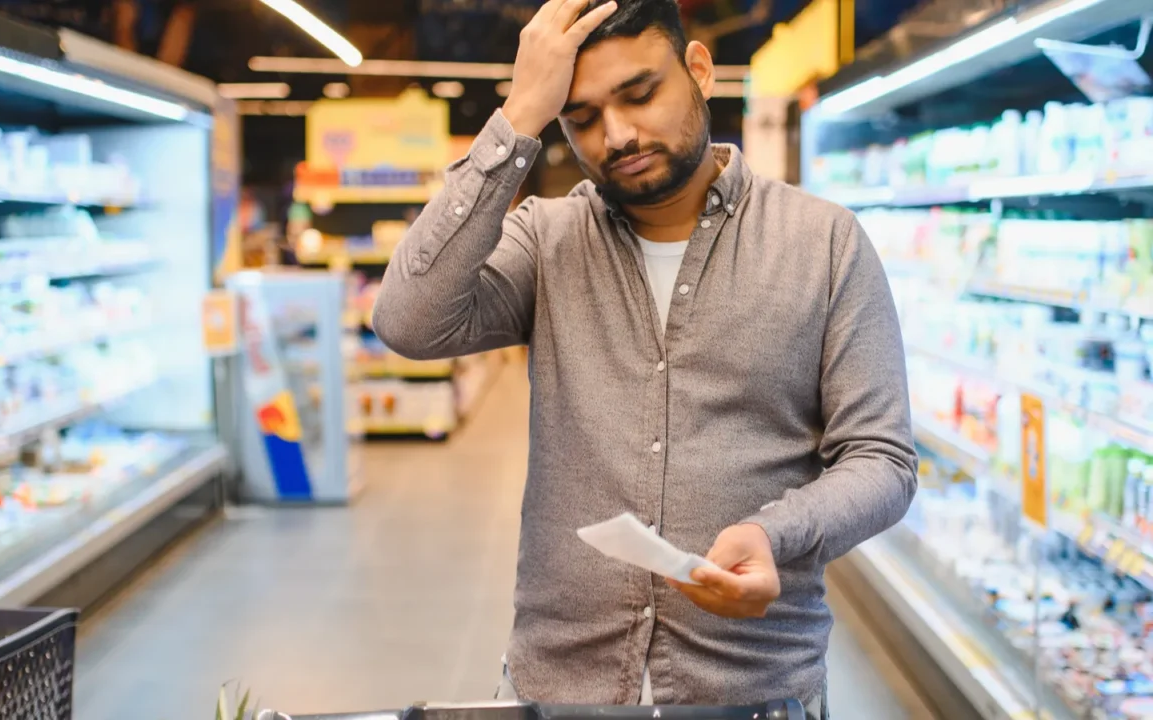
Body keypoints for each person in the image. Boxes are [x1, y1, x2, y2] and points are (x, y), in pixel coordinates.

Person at [371, 1, 918, 717]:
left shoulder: (824, 244)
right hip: (562, 688)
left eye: (639, 94)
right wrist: (518, 119)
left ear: (698, 69)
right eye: (583, 116)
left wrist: (773, 533)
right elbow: (409, 321)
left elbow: (882, 458)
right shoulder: (547, 239)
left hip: (753, 691)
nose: (618, 134)